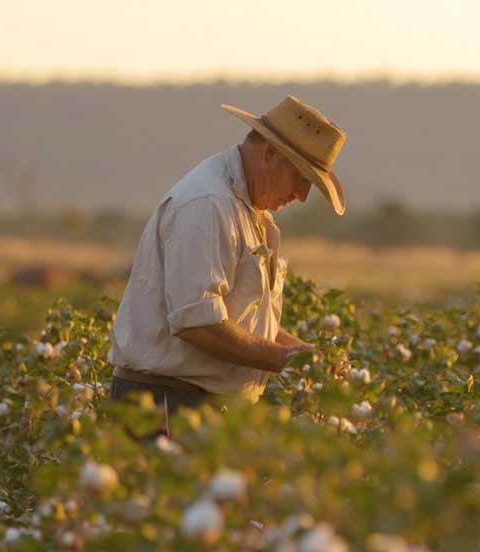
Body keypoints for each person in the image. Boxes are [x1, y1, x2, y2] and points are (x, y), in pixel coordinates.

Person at [107, 95, 349, 431]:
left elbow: (233, 316)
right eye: (301, 180)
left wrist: (300, 351)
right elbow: (197, 321)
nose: (302, 196)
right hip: (165, 405)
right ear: (270, 155)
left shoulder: (247, 208)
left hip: (197, 404)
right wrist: (283, 360)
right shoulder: (209, 205)